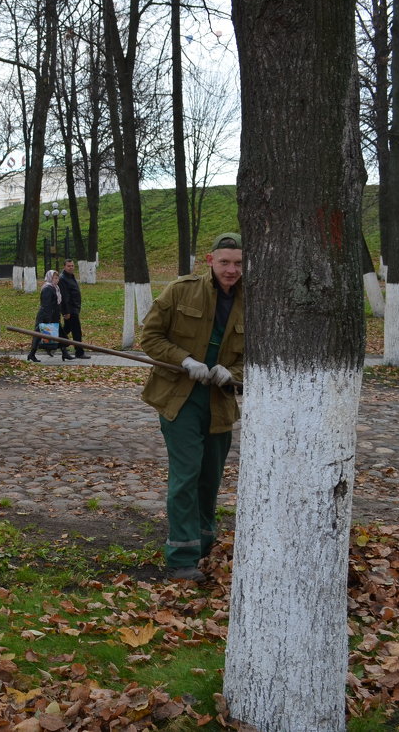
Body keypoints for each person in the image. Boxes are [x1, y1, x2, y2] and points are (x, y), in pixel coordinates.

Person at [139, 232, 244, 583]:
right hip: (180, 398)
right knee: (186, 476)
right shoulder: (181, 290)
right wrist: (183, 359)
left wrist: (235, 373)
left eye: (239, 263)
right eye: (225, 262)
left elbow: (262, 356)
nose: (232, 270)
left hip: (221, 402)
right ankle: (182, 558)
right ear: (210, 261)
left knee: (210, 479)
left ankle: (204, 546)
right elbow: (150, 337)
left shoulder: (256, 301)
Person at [27, 269, 71, 361]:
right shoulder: (47, 288)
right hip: (45, 316)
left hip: (53, 315)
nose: (57, 279)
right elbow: (46, 305)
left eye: (57, 277)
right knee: (38, 335)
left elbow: (58, 304)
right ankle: (32, 354)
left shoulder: (55, 288)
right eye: (55, 278)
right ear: (50, 278)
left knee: (61, 334)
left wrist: (61, 313)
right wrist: (48, 319)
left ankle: (65, 353)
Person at [59, 258, 90, 359]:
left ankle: (53, 343)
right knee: (76, 331)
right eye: (69, 266)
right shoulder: (63, 278)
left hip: (75, 308)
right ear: (64, 267)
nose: (71, 267)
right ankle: (79, 352)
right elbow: (64, 297)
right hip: (70, 310)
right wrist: (66, 312)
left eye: (72, 266)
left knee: (65, 330)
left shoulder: (71, 276)